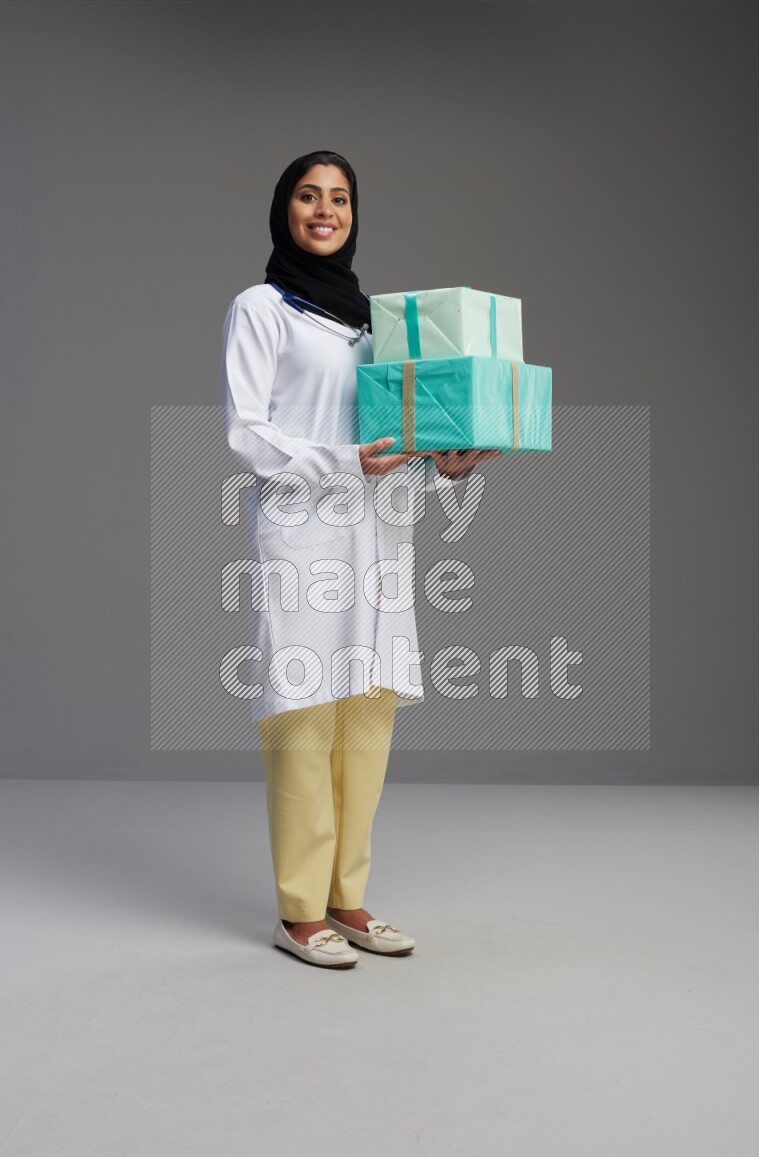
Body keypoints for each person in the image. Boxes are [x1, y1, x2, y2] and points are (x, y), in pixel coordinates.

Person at [220, 150, 500, 969]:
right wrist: (346, 464)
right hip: (302, 535)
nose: (324, 210)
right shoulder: (261, 309)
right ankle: (299, 910)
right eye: (308, 196)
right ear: (284, 210)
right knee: (303, 715)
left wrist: (441, 464)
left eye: (339, 198)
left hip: (378, 533)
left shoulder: (374, 324)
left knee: (367, 716)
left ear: (353, 215)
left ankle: (349, 898)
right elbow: (246, 431)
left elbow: (392, 439)